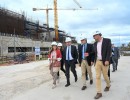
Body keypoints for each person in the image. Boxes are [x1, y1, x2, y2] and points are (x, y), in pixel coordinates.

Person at [93, 31, 111, 99]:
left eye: (94, 36)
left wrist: (107, 60)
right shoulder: (95, 44)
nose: (94, 37)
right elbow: (94, 52)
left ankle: (108, 85)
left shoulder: (107, 40)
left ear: (98, 35)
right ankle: (99, 92)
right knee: (97, 76)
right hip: (97, 61)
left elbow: (109, 51)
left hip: (104, 61)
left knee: (105, 75)